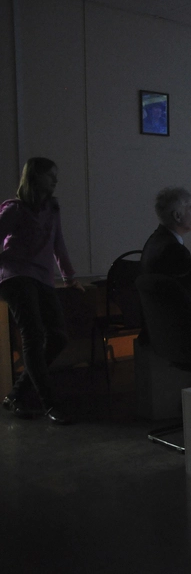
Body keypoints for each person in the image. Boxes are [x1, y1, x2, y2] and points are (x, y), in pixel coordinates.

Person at [0, 157, 84, 425]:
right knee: (33, 336)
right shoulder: (14, 209)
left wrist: (69, 277)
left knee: (57, 336)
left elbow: (59, 244)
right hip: (17, 277)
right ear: (35, 177)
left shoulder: (52, 208)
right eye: (50, 175)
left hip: (42, 278)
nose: (55, 180)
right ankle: (50, 404)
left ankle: (16, 395)